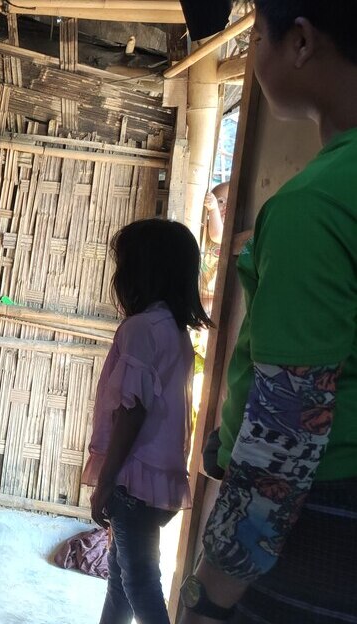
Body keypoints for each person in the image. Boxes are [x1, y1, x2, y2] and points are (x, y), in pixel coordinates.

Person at [182, 2, 357, 623]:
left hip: (319, 525)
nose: (253, 57)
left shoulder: (316, 205)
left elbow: (287, 429)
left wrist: (211, 591)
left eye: (258, 39)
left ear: (301, 42)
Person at [82, 219, 212, 624]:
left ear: (143, 270)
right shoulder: (173, 330)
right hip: (159, 479)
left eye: (124, 264)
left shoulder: (141, 328)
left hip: (131, 480)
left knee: (137, 582)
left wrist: (105, 482)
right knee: (122, 579)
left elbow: (131, 412)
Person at [199, 182, 229, 313]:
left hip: (215, 293)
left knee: (205, 310)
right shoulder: (206, 227)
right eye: (221, 201)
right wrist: (213, 210)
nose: (226, 206)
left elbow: (218, 235)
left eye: (231, 201)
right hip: (200, 287)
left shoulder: (227, 233)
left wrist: (214, 209)